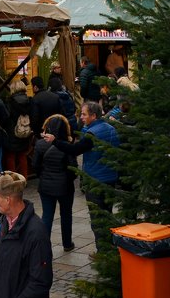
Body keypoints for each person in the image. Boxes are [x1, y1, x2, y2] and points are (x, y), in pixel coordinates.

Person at [44, 101, 119, 248]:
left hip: (96, 179)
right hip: (110, 177)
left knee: (97, 217)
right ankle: (110, 246)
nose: (81, 117)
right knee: (107, 213)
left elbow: (75, 149)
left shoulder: (92, 134)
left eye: (84, 114)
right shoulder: (110, 128)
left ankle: (103, 251)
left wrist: (55, 141)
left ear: (94, 115)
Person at [32, 115, 76, 252]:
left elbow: (35, 165)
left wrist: (43, 176)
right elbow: (73, 168)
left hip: (46, 185)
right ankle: (67, 243)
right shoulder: (67, 145)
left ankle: (44, 247)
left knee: (47, 215)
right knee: (66, 215)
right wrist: (68, 179)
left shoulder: (40, 144)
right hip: (65, 186)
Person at [3, 80, 33, 178]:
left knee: (10, 156)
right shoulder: (29, 100)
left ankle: (13, 179)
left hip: (12, 131)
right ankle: (24, 178)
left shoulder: (10, 102)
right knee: (22, 155)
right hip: (25, 132)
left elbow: (6, 117)